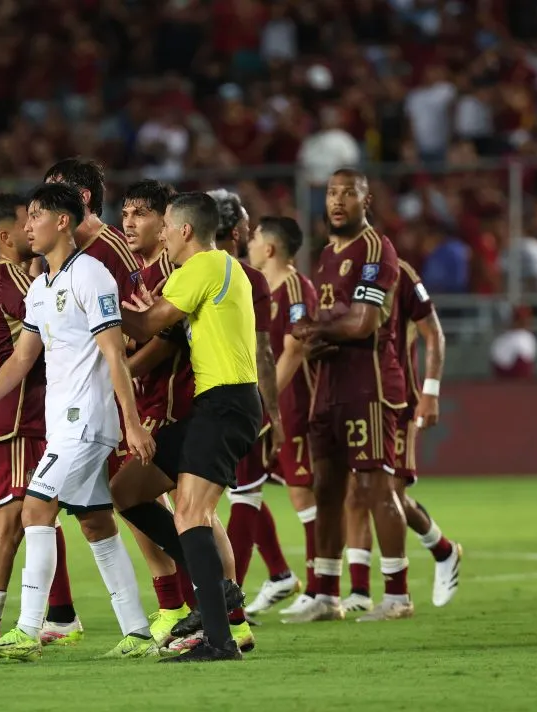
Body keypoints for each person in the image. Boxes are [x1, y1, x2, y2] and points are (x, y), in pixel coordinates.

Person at [0, 182, 159, 662]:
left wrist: (132, 423)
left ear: (62, 221)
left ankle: (26, 629)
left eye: (35, 216)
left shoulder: (93, 276)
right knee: (96, 523)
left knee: (35, 508)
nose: (26, 227)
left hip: (87, 418)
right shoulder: (42, 286)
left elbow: (114, 354)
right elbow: (23, 359)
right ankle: (138, 631)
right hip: (62, 422)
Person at [116, 192, 263, 663]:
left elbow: (148, 326)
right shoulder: (218, 269)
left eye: (165, 228)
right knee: (127, 491)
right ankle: (217, 588)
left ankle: (220, 641)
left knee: (190, 515)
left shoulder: (202, 266)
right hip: (216, 407)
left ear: (183, 231)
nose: (160, 236)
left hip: (226, 404)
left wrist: (96, 305)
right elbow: (155, 326)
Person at [0, 193, 81, 657]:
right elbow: (49, 333)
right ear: (6, 236)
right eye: (25, 222)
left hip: (8, 415)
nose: (33, 228)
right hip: (13, 418)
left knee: (30, 519)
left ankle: (55, 615)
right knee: (10, 526)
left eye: (37, 219)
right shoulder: (12, 279)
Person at [289, 168, 413, 623]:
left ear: (367, 201)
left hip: (369, 385)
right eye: (331, 194)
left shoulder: (376, 249)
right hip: (328, 386)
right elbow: (329, 325)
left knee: (374, 487)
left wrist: (313, 330)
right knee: (326, 488)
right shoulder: (325, 255)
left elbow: (362, 322)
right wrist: (317, 334)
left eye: (349, 194)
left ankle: (397, 595)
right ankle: (325, 593)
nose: (338, 201)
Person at [343, 259, 462, 612]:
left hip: (399, 400)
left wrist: (431, 392)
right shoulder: (337, 268)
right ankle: (361, 592)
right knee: (356, 491)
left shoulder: (399, 272)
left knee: (388, 491)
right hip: (356, 397)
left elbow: (433, 333)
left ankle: (440, 554)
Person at [206, 190, 298, 610]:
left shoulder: (183, 273)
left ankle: (271, 577)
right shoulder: (247, 279)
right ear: (236, 229)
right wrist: (273, 412)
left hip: (193, 400)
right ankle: (228, 604)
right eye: (246, 222)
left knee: (226, 500)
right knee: (238, 500)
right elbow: (263, 352)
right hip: (238, 398)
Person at [120, 179, 195, 644]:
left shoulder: (174, 269)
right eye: (126, 213)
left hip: (176, 406)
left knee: (194, 514)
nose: (130, 222)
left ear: (165, 220)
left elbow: (163, 343)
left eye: (141, 214)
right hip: (150, 403)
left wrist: (120, 368)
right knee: (144, 502)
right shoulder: (135, 276)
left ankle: (217, 611)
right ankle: (195, 606)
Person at [44, 158, 144, 495]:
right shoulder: (60, 255)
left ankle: (185, 549)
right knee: (98, 510)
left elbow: (141, 326)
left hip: (116, 395)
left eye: (55, 193)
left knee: (134, 498)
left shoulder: (112, 247)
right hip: (79, 397)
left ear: (83, 197)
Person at [243, 217, 320, 616]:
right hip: (263, 402)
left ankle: (319, 587)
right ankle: (279, 573)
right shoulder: (259, 288)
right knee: (243, 484)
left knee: (302, 491)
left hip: (292, 402)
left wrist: (264, 400)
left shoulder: (296, 287)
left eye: (255, 238)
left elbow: (294, 349)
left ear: (270, 248)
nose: (250, 243)